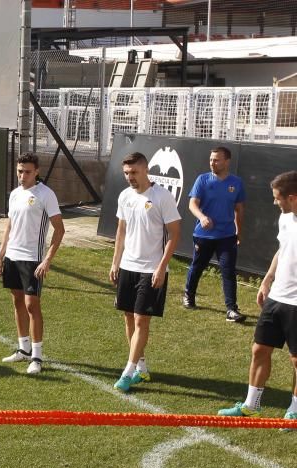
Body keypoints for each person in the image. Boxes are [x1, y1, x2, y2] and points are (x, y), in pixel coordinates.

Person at [218, 171, 297, 420]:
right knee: (259, 349)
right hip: (276, 298)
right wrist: (267, 280)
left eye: (277, 198)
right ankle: (251, 405)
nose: (275, 202)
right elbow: (282, 250)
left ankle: (294, 412)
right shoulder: (285, 219)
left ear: (292, 197)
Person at [110, 152, 181, 392]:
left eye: (134, 172)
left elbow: (175, 234)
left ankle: (128, 372)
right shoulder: (124, 196)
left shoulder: (162, 196)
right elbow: (121, 230)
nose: (130, 177)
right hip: (127, 266)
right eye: (127, 173)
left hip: (151, 270)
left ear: (145, 169)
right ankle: (141, 369)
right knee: (129, 317)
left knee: (141, 319)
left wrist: (161, 267)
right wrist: (115, 262)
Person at [0, 153, 65, 375]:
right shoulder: (14, 194)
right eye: (19, 171)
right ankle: (23, 349)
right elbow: (10, 226)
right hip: (12, 257)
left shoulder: (46, 194)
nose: (22, 175)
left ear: (37, 172)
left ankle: (37, 356)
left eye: (26, 172)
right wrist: (0, 255)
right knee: (17, 301)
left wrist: (47, 260)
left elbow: (60, 230)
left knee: (32, 304)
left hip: (32, 258)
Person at [182, 146, 247, 322]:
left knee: (228, 271)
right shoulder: (202, 180)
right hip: (203, 235)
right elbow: (192, 205)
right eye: (211, 159)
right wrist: (202, 217)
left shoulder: (237, 183)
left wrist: (238, 232)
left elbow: (239, 210)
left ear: (227, 161)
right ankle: (189, 295)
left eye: (216, 159)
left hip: (227, 236)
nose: (212, 163)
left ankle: (231, 309)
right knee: (197, 266)